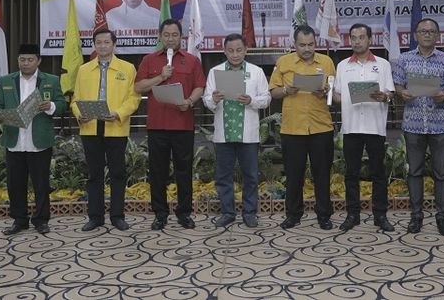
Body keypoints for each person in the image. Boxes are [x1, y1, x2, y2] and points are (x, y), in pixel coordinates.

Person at [135, 19, 206, 230]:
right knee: (158, 172)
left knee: (184, 171)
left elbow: (199, 86)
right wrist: (160, 76)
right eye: (166, 35)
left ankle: (184, 213)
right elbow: (139, 87)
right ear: (160, 36)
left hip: (183, 124)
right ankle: (160, 214)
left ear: (181, 37)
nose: (170, 39)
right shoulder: (149, 60)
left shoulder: (192, 60)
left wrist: (190, 101)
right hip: (157, 126)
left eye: (175, 35)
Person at [0, 43, 67, 235]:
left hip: (39, 141)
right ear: (18, 60)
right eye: (22, 60)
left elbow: (62, 105)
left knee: (41, 184)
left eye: (30, 59)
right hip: (15, 141)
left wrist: (51, 106)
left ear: (38, 61)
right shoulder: (6, 80)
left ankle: (41, 220)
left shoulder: (51, 80)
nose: (26, 63)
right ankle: (19, 220)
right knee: (15, 184)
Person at [71, 28, 141, 231]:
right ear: (94, 45)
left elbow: (134, 98)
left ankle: (117, 216)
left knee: (118, 173)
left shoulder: (127, 68)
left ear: (114, 44)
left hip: (115, 126)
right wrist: (79, 114)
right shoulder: (84, 69)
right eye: (99, 43)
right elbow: (75, 99)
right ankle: (95, 217)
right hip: (90, 127)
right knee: (94, 174)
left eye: (106, 42)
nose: (102, 46)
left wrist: (119, 113)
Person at [269, 25, 336, 230]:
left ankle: (324, 215)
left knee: (322, 175)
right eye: (302, 45)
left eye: (310, 44)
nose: (307, 49)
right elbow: (273, 92)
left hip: (321, 127)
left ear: (315, 43)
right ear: (294, 44)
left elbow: (333, 94)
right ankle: (293, 215)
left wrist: (325, 92)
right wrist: (286, 90)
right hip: (292, 129)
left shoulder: (326, 62)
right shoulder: (283, 62)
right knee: (294, 175)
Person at [393, 18, 444, 236]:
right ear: (415, 35)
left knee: (441, 173)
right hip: (414, 124)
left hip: (440, 124)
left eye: (431, 31)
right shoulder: (404, 59)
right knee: (415, 172)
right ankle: (416, 217)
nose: (427, 34)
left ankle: (443, 218)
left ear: (438, 35)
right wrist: (402, 92)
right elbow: (397, 85)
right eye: (423, 31)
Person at [202, 33, 271, 228]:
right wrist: (214, 99)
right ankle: (228, 213)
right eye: (231, 51)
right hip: (223, 134)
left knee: (250, 175)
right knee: (223, 176)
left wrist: (251, 100)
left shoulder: (256, 72)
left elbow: (266, 98)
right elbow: (206, 100)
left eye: (239, 50)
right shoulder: (215, 72)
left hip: (248, 135)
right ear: (224, 51)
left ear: (246, 50)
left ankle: (249, 213)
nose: (235, 54)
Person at [333, 23, 395, 232]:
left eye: (361, 37)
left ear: (370, 39)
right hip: (351, 127)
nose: (357, 41)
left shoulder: (383, 64)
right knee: (351, 173)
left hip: (375, 127)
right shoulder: (342, 66)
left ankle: (380, 216)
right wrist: (337, 96)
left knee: (378, 173)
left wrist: (384, 96)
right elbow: (337, 96)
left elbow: (390, 93)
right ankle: (353, 215)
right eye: (353, 37)